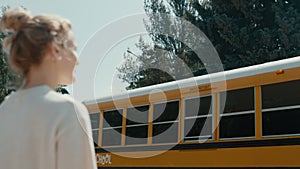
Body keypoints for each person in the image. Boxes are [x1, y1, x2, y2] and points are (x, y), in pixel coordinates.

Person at [0, 8, 97, 169]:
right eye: (73, 48)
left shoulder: (4, 110)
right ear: (54, 49)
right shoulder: (68, 111)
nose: (77, 60)